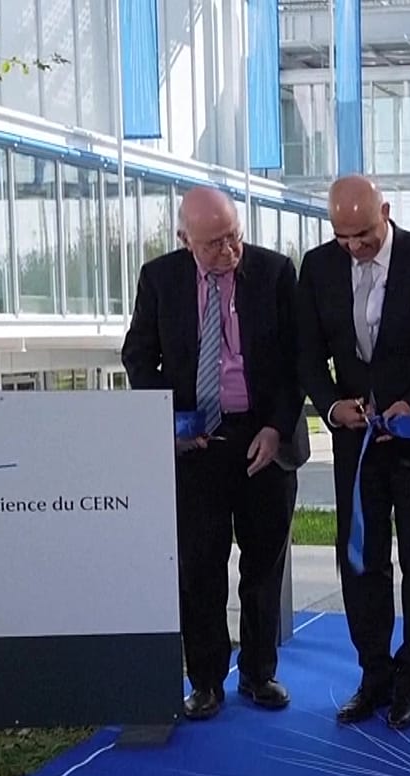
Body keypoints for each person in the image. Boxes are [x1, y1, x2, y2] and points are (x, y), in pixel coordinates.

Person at [121, 186, 308, 721]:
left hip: (262, 441)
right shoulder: (160, 278)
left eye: (234, 237)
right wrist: (173, 421)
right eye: (213, 244)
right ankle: (205, 679)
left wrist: (276, 428)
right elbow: (138, 355)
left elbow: (298, 363)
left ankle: (258, 672)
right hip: (195, 446)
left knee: (263, 564)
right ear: (185, 240)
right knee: (200, 566)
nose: (228, 252)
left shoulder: (274, 273)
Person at [294, 175, 410, 730]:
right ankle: (373, 673)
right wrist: (330, 404)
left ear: (385, 213)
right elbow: (306, 352)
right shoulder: (317, 268)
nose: (354, 247)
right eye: (343, 237)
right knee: (362, 559)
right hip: (357, 444)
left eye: (364, 234)